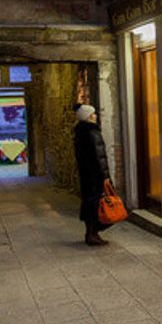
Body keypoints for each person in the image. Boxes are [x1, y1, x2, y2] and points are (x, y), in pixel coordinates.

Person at [73, 104, 112, 245]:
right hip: (96, 175)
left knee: (89, 202)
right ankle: (93, 234)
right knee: (98, 204)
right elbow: (99, 156)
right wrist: (105, 176)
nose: (96, 116)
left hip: (86, 174)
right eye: (93, 114)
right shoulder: (92, 132)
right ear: (89, 116)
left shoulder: (79, 132)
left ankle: (90, 233)